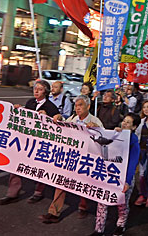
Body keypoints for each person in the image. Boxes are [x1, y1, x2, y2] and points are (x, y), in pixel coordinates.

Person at [39, 95, 103, 224]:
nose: (77, 108)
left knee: (84, 183)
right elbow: (64, 126)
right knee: (61, 182)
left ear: (88, 107)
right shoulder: (73, 119)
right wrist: (59, 119)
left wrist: (95, 128)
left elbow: (102, 139)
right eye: (76, 105)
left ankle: (83, 207)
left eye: (80, 105)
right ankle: (54, 212)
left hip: (86, 158)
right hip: (70, 156)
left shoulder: (95, 120)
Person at [0, 80, 61, 205]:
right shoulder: (30, 102)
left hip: (41, 143)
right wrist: (19, 110)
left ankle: (38, 192)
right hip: (25, 140)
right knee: (16, 164)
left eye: (40, 89)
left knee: (39, 166)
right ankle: (12, 193)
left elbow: (58, 124)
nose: (36, 91)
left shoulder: (51, 107)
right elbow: (25, 116)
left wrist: (49, 117)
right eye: (35, 88)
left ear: (46, 92)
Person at [91, 113, 140, 236]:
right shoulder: (115, 135)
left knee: (122, 203)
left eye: (128, 122)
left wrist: (127, 181)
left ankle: (120, 225)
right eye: (124, 120)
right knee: (102, 201)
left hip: (123, 178)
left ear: (134, 127)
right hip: (108, 176)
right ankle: (99, 229)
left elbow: (133, 163)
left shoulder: (134, 141)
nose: (124, 123)